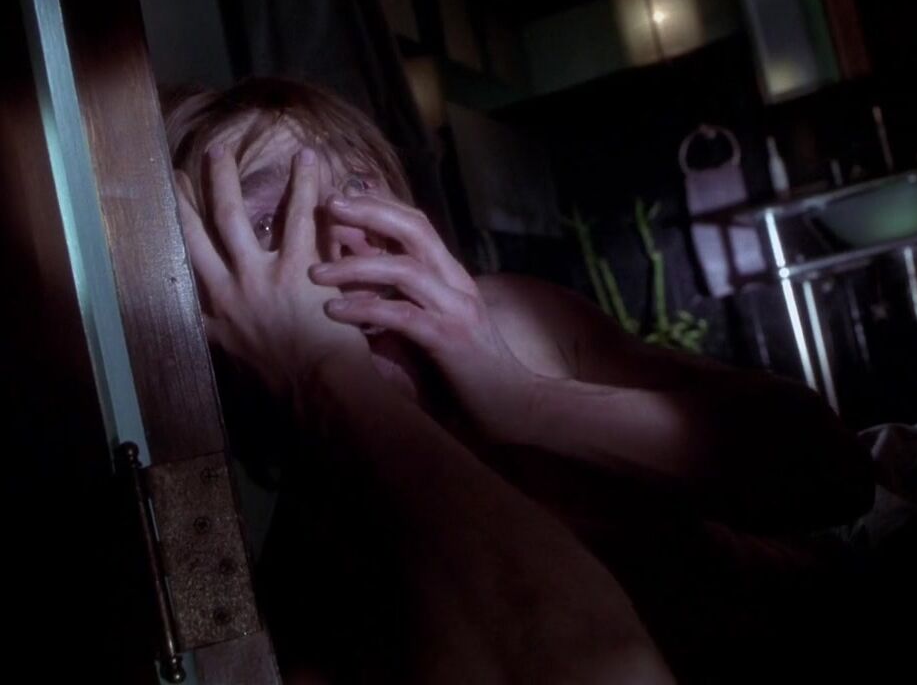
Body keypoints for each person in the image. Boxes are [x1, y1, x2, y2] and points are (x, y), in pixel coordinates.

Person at [165, 77, 874, 683]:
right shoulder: (287, 575)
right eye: (270, 222)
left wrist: (526, 399)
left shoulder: (514, 320)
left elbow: (837, 473)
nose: (350, 232)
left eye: (354, 186)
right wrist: (325, 378)